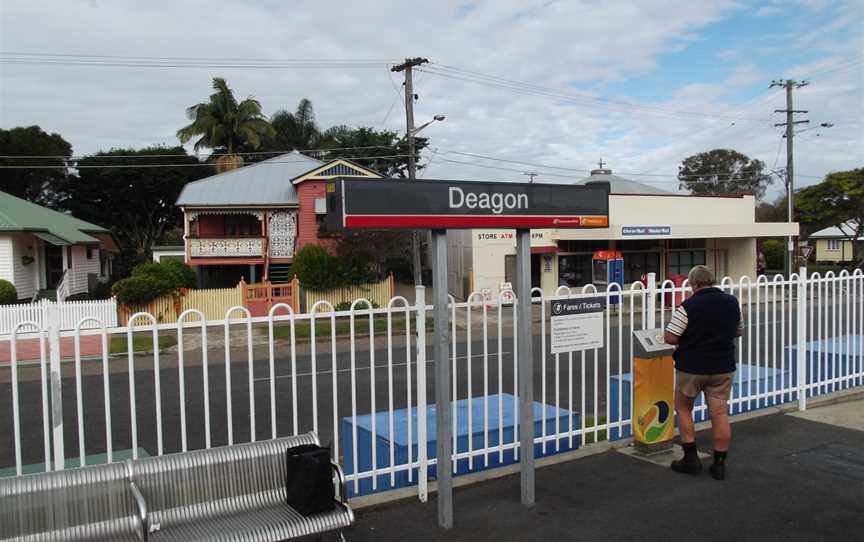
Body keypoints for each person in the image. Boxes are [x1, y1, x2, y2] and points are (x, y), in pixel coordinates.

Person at [664, 265, 743, 480]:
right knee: (719, 413)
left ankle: (690, 459)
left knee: (683, 408)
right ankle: (719, 464)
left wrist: (692, 337)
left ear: (694, 284)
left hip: (692, 367)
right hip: (723, 366)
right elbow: (738, 330)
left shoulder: (688, 306)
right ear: (713, 281)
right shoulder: (732, 302)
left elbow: (670, 337)